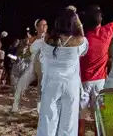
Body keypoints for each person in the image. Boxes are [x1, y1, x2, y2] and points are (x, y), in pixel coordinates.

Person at [37, 8, 89, 136]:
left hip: (51, 83)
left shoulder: (48, 39)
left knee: (47, 121)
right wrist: (79, 23)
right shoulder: (79, 41)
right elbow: (84, 44)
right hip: (71, 85)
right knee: (69, 124)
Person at [81, 0, 113, 121]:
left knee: (81, 119)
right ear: (101, 19)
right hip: (100, 82)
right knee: (99, 119)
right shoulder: (106, 32)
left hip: (82, 80)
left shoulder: (81, 37)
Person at [13, 20, 49, 113]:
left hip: (44, 67)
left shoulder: (48, 38)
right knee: (20, 85)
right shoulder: (32, 39)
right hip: (32, 65)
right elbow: (28, 53)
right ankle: (15, 108)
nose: (45, 26)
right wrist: (19, 57)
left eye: (46, 24)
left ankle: (39, 110)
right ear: (37, 27)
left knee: (41, 89)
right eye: (43, 25)